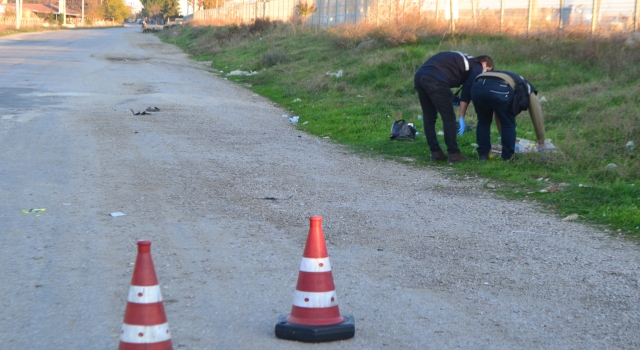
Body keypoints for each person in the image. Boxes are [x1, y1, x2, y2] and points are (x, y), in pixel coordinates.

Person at [414, 51, 494, 163]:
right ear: (484, 64)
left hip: (419, 75)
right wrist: (462, 116)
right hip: (435, 78)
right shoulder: (477, 65)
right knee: (449, 118)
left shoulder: (464, 60)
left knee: (429, 117)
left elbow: (445, 77)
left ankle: (436, 152)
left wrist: (451, 97)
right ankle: (454, 154)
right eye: (488, 71)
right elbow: (467, 90)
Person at [470, 70, 546, 161]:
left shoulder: (516, 81)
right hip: (500, 87)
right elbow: (537, 116)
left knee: (483, 122)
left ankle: (483, 155)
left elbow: (499, 114)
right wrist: (541, 141)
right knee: (508, 124)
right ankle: (508, 157)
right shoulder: (529, 89)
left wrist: (504, 136)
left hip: (477, 86)